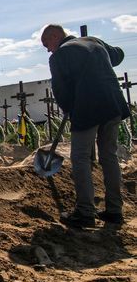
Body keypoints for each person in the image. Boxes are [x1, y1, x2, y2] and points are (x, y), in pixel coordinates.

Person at [41, 24, 128, 228]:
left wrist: (70, 110)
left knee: (79, 158)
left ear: (55, 36)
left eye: (46, 43)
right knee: (109, 156)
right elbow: (118, 55)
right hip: (113, 104)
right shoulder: (94, 41)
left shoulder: (59, 56)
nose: (47, 49)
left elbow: (60, 91)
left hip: (87, 108)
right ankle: (115, 211)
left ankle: (85, 212)